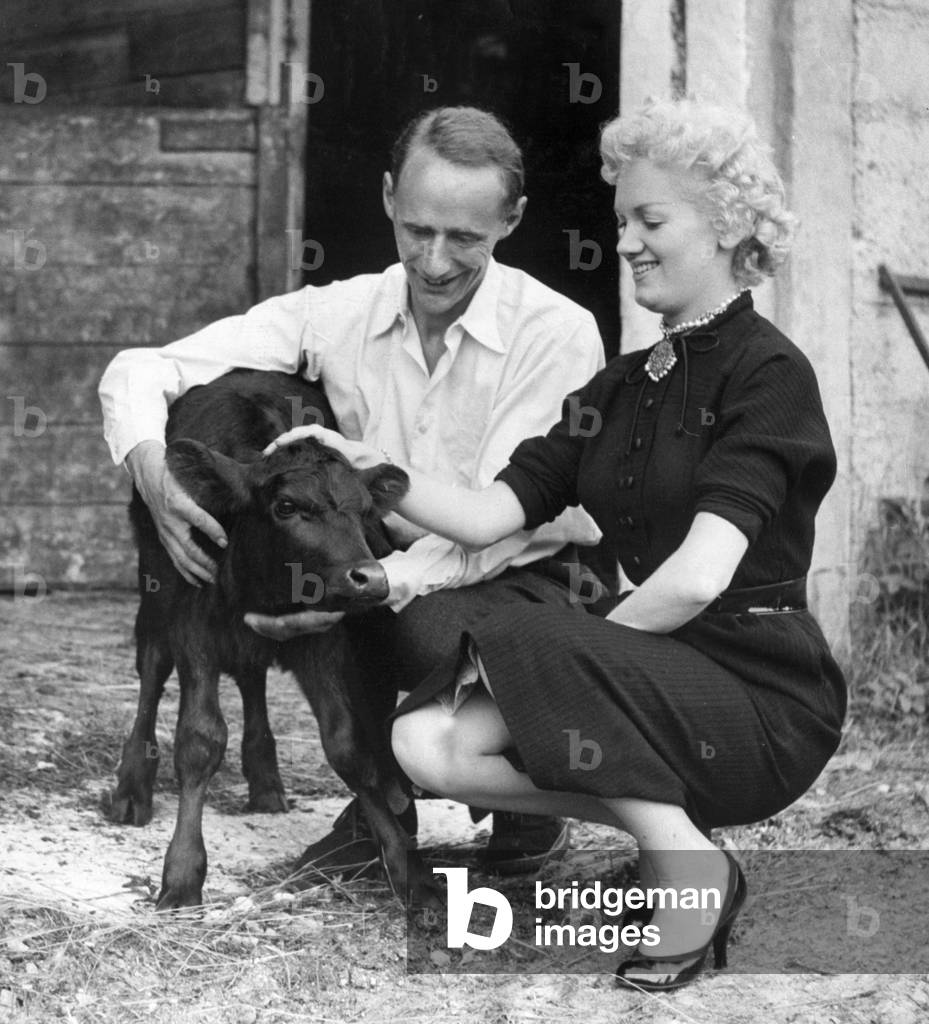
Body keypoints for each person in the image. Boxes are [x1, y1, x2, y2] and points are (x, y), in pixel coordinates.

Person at [269, 99, 848, 990]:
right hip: (656, 684)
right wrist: (370, 465)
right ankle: (677, 838)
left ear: (729, 229)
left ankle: (689, 871)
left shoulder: (767, 373)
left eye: (650, 220)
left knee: (525, 632)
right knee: (427, 742)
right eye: (622, 223)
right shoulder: (622, 385)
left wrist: (563, 653)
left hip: (758, 694)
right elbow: (489, 515)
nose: (626, 243)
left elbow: (695, 580)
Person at [98, 106, 609, 875]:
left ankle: (523, 803)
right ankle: (382, 801)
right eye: (416, 229)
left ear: (513, 219)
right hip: (399, 565)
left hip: (536, 576)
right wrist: (146, 462)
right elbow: (144, 366)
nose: (434, 263)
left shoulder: (555, 333)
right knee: (350, 591)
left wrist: (372, 582)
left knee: (422, 628)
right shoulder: (339, 313)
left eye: (465, 238)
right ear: (386, 199)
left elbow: (500, 524)